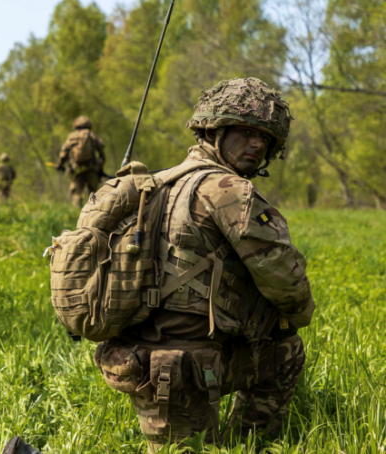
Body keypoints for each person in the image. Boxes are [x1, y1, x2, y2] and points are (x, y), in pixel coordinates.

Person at [94, 78, 315, 451]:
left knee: (284, 353)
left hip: (139, 355)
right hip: (176, 370)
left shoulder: (158, 183)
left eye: (265, 137)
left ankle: (242, 446)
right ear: (214, 130)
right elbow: (285, 279)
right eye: (245, 132)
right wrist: (299, 311)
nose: (258, 143)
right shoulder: (228, 190)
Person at [56, 116, 105, 207]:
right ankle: (93, 213)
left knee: (76, 193)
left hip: (76, 169)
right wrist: (100, 166)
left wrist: (59, 164)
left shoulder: (71, 137)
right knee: (93, 192)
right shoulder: (91, 135)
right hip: (91, 168)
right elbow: (101, 152)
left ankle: (76, 215)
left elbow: (63, 153)